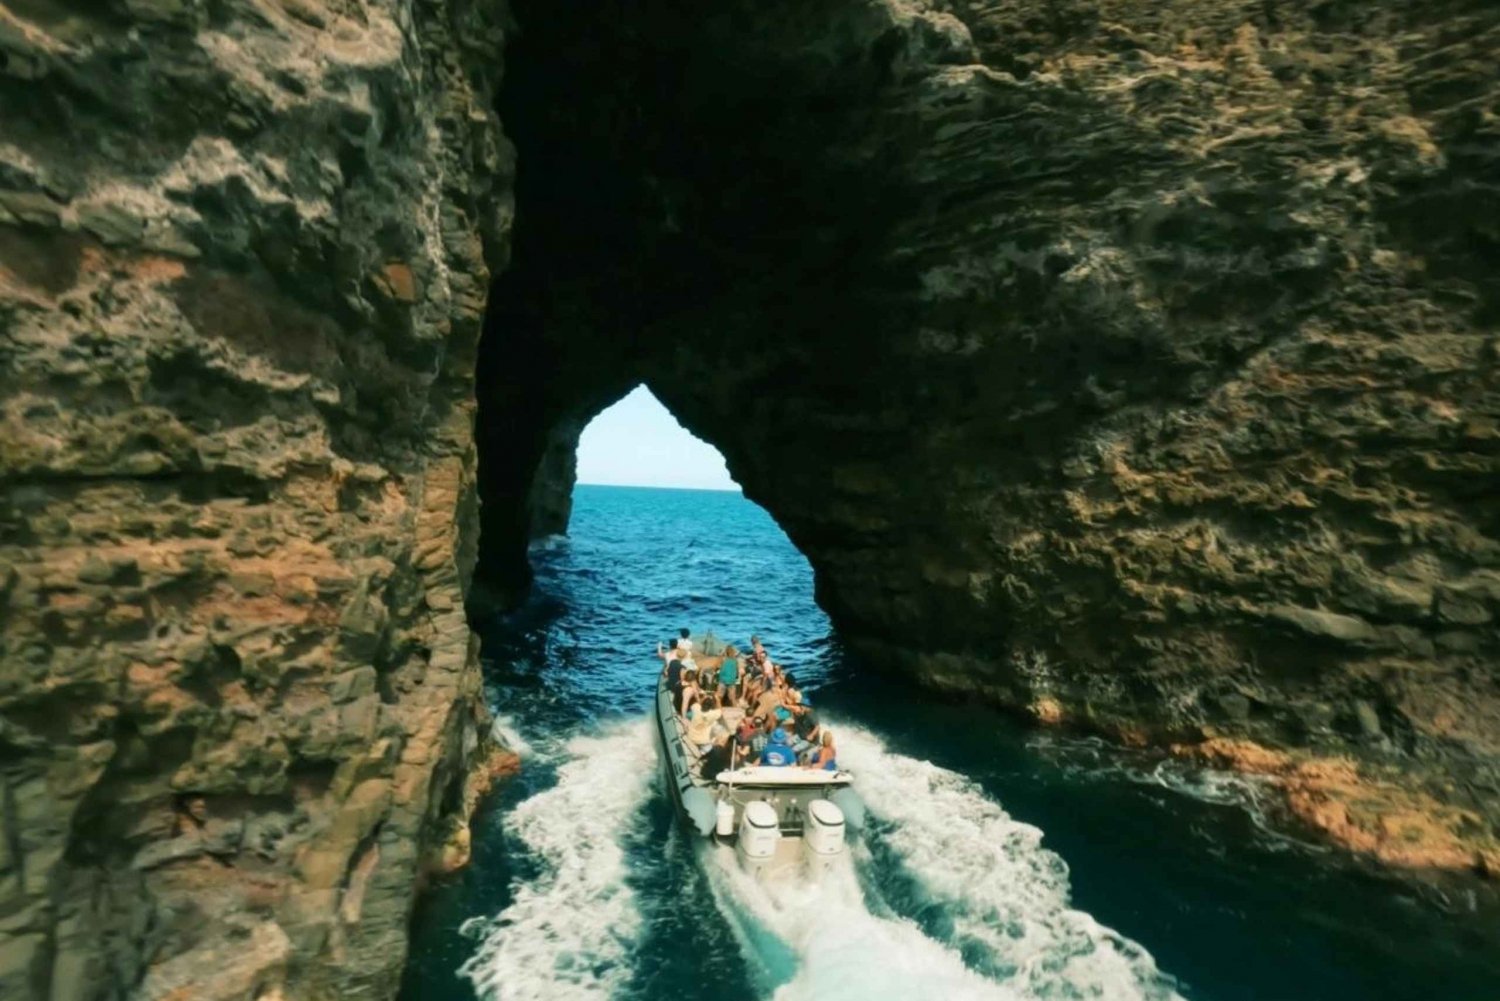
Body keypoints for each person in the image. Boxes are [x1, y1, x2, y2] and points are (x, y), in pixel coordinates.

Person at [789, 695, 820, 761]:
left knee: (793, 750)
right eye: (800, 705)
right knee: (787, 742)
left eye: (802, 705)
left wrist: (811, 735)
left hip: (808, 741)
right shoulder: (804, 712)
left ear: (806, 706)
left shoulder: (811, 715)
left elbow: (817, 727)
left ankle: (793, 762)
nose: (800, 706)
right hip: (800, 737)